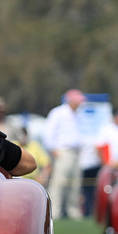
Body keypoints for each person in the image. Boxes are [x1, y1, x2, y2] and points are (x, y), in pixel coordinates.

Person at [43, 89, 86, 220]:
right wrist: (53, 149)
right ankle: (55, 211)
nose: (79, 104)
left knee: (75, 183)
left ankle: (73, 210)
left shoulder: (76, 115)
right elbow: (48, 132)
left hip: (75, 153)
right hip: (63, 152)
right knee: (59, 182)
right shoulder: (58, 113)